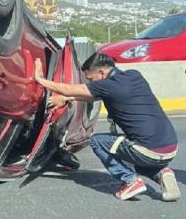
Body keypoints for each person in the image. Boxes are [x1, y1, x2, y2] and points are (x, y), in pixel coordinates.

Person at [34, 52, 180, 202]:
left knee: (97, 141)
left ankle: (130, 181)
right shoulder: (133, 76)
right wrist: (65, 99)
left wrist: (40, 80)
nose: (91, 82)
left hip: (147, 150)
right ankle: (162, 173)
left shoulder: (107, 86)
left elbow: (71, 89)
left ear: (101, 73)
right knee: (136, 155)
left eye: (90, 79)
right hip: (170, 147)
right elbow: (94, 94)